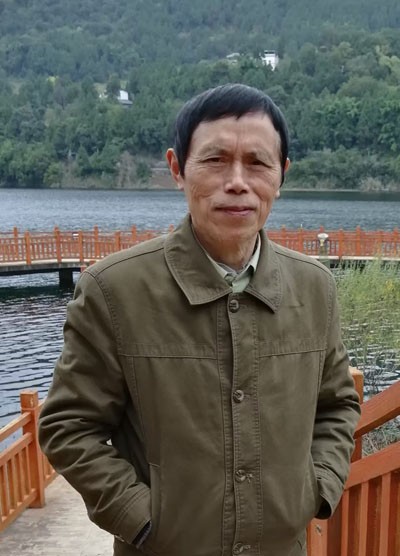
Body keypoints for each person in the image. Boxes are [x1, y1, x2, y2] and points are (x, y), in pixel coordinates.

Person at [39, 83, 360, 556]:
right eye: (215, 160)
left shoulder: (314, 288)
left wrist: (316, 488)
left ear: (282, 174)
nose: (237, 181)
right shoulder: (114, 290)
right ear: (177, 168)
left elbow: (337, 404)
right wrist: (142, 518)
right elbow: (68, 426)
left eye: (257, 162)